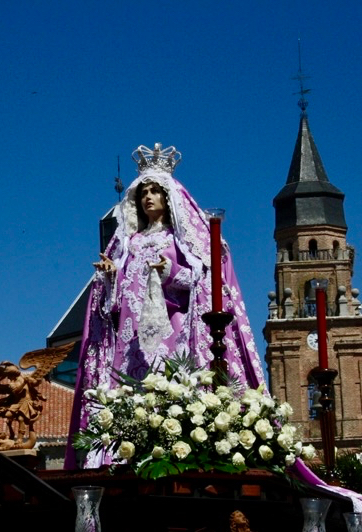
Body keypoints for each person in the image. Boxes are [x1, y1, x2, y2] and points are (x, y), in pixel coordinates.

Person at [64, 143, 266, 469]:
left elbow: (201, 280)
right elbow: (119, 299)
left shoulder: (178, 239)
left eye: (155, 191)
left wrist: (170, 272)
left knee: (170, 388)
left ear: (168, 197)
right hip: (131, 339)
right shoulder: (129, 243)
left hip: (171, 331)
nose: (148, 197)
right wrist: (111, 277)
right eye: (143, 192)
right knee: (131, 391)